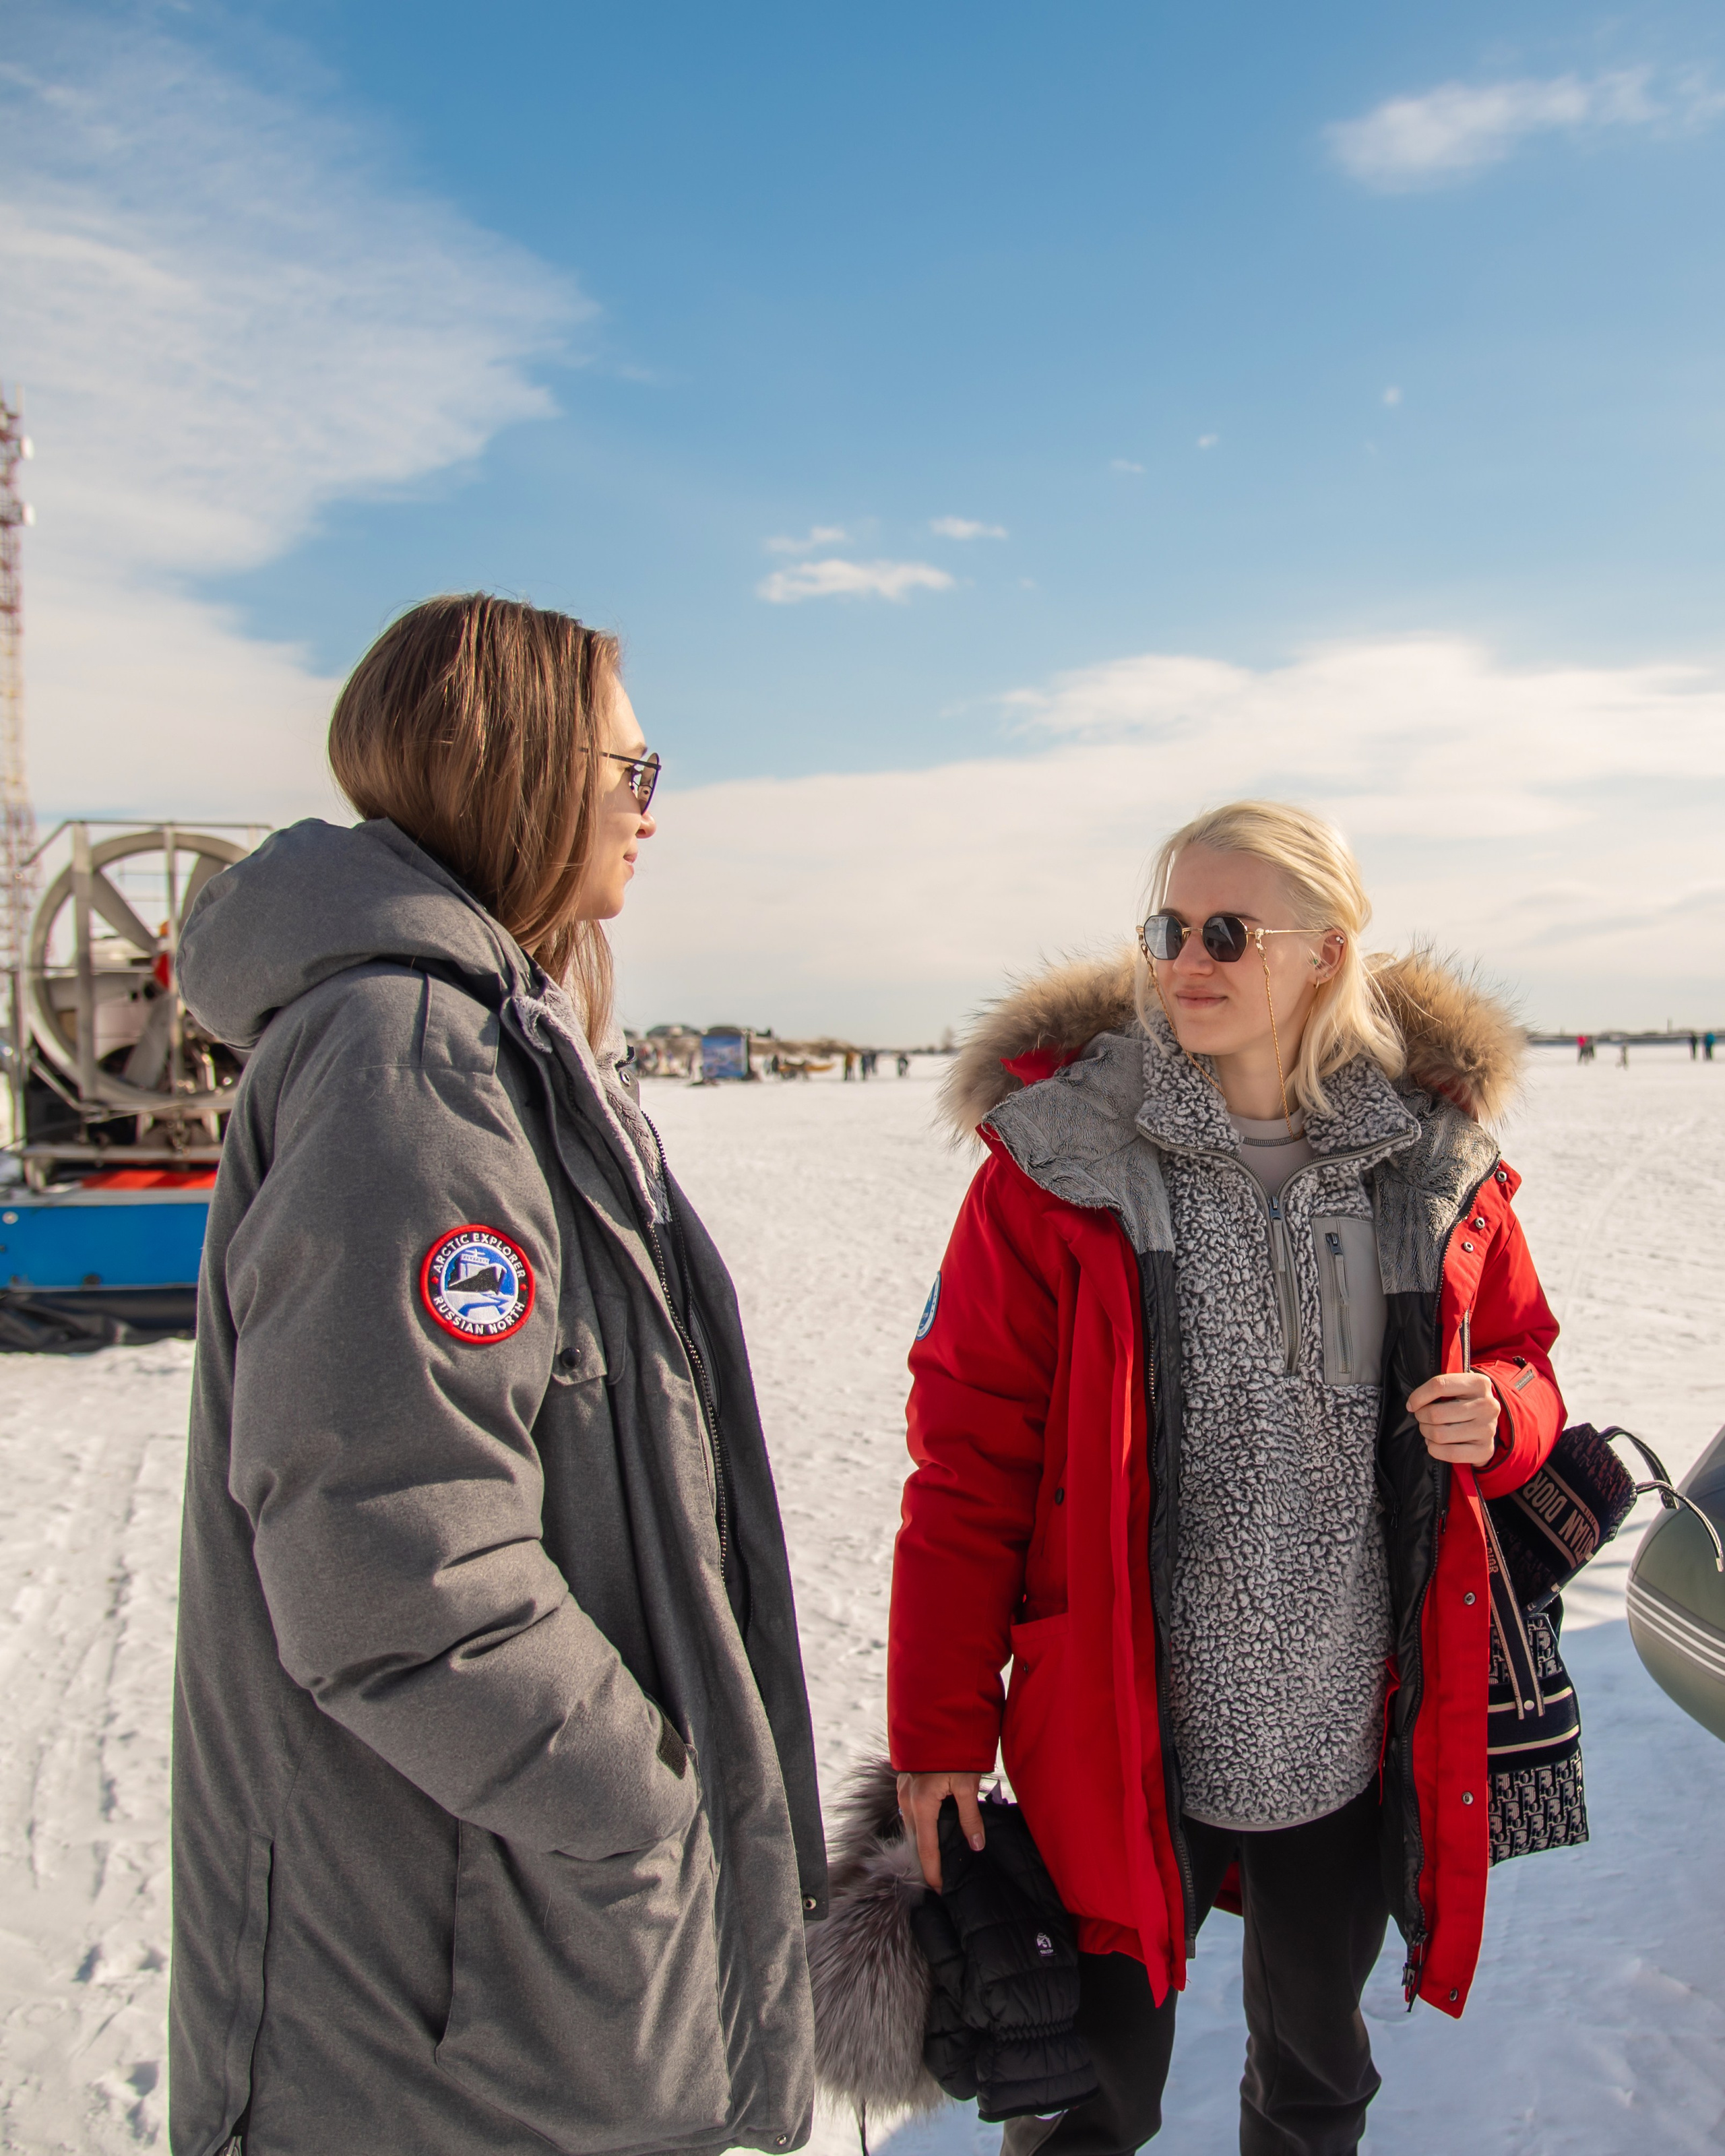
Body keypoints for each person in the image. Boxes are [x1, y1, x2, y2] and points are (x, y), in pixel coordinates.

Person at [169, 596, 825, 2156]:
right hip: (454, 2029)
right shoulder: (413, 1057)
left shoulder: (480, 1035)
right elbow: (397, 1562)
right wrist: (645, 1812)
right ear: (525, 766)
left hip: (490, 1996)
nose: (648, 806)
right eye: (630, 761)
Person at [889, 800, 1565, 2156]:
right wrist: (938, 1730)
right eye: (1164, 929)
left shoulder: (1423, 1165)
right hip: (1128, 1731)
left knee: (1317, 2076)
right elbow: (964, 1463)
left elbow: (1523, 1357)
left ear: (1322, 953)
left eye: (1222, 932)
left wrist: (1501, 1415)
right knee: (1091, 2100)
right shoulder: (1054, 1171)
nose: (1181, 961)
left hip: (1343, 1724)